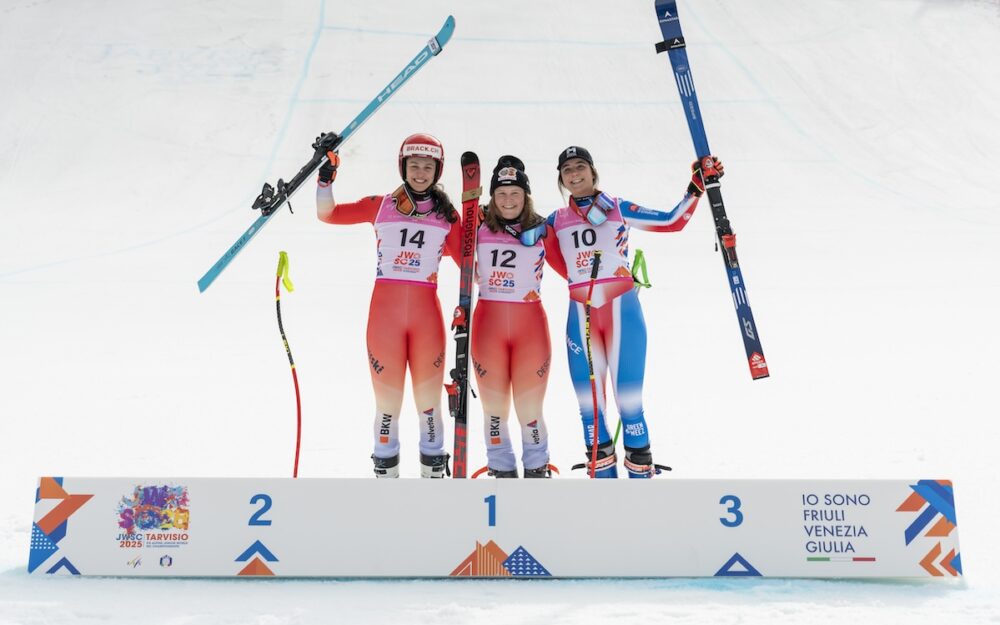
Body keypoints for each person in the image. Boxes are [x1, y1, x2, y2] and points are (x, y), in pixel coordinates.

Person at [545, 145, 723, 478]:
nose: (574, 174)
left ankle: (641, 487)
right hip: (580, 318)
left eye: (580, 166)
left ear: (593, 171)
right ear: (561, 179)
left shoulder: (617, 208)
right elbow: (542, 255)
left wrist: (695, 188)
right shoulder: (555, 221)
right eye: (567, 170)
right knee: (590, 412)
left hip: (622, 315)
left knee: (630, 406)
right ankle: (606, 496)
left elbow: (671, 222)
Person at [313, 131, 462, 478]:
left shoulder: (446, 216)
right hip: (385, 320)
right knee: (387, 407)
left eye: (428, 166)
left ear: (437, 171)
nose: (420, 173)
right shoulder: (380, 205)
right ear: (403, 166)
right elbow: (328, 214)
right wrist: (325, 177)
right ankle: (385, 479)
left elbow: (474, 267)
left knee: (429, 407)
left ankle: (433, 476)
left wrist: (480, 221)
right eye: (414, 165)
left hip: (427, 319)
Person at [471, 156, 567, 478]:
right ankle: (501, 469)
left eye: (515, 194)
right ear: (492, 198)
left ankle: (537, 469)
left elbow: (571, 271)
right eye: (501, 194)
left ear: (526, 196)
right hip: (488, 329)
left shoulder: (542, 230)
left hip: (531, 332)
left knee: (530, 411)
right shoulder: (477, 228)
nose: (508, 200)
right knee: (494, 412)